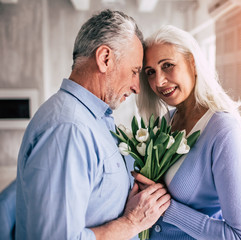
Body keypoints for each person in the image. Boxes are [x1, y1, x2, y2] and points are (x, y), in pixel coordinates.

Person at [15, 9, 170, 240]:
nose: (137, 87)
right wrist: (131, 223)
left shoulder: (93, 120)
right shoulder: (68, 129)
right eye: (134, 71)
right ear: (105, 58)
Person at [134, 25, 241, 239]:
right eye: (151, 72)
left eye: (168, 65)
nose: (159, 81)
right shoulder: (165, 123)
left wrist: (167, 208)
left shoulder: (223, 131)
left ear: (192, 63)